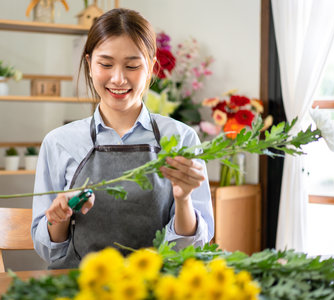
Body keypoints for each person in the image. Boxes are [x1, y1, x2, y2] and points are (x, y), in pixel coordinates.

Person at [31, 8, 214, 269]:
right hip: (80, 288)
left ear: (151, 67)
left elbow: (191, 251)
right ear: (89, 65)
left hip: (157, 288)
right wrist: (59, 216)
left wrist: (184, 199)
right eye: (105, 64)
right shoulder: (58, 142)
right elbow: (50, 252)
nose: (118, 78)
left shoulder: (182, 138)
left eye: (132, 66)